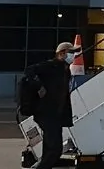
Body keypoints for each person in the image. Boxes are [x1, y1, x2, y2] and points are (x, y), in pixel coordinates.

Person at [22, 41, 76, 169]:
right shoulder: (50, 66)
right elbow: (29, 71)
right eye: (71, 52)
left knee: (50, 150)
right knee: (55, 150)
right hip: (46, 114)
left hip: (56, 116)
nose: (73, 56)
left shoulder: (65, 70)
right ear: (61, 54)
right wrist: (39, 86)